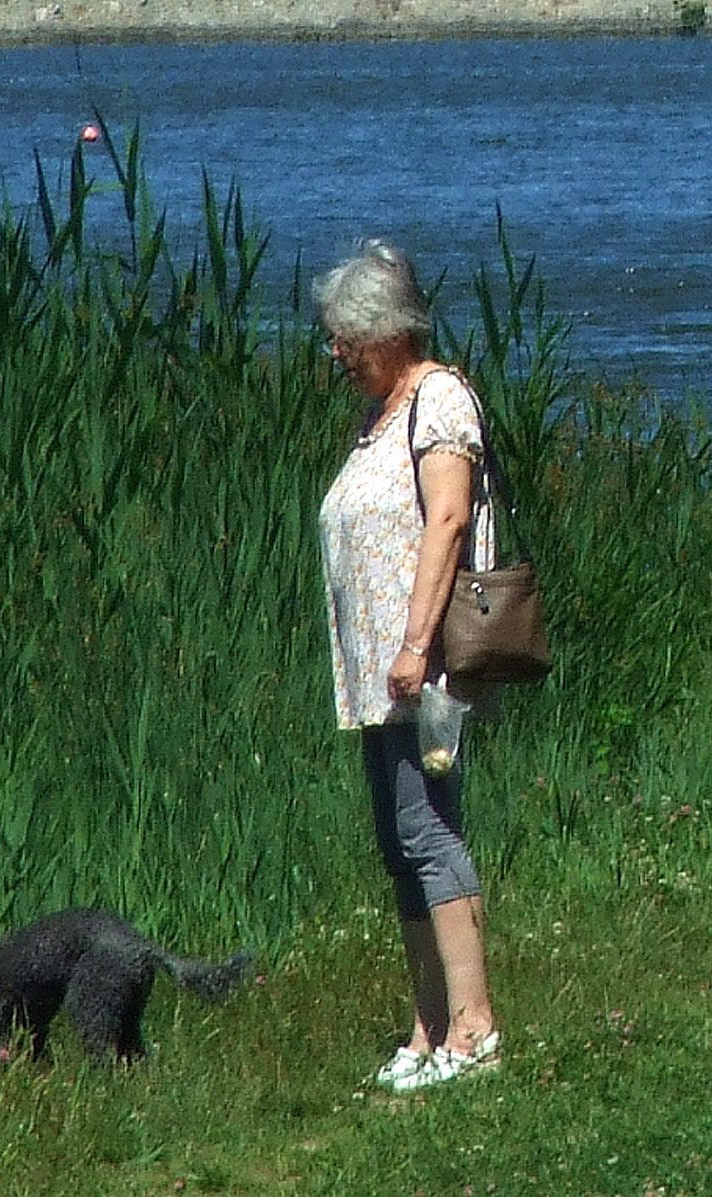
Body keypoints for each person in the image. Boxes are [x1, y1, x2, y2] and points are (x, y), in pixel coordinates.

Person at [314, 241, 503, 1093]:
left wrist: (415, 643)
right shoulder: (381, 412)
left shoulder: (439, 398)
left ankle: (474, 1026)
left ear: (385, 330)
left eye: (345, 339)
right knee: (399, 842)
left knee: (429, 833)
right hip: (377, 673)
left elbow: (448, 520)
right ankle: (429, 1027)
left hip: (419, 665)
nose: (337, 354)